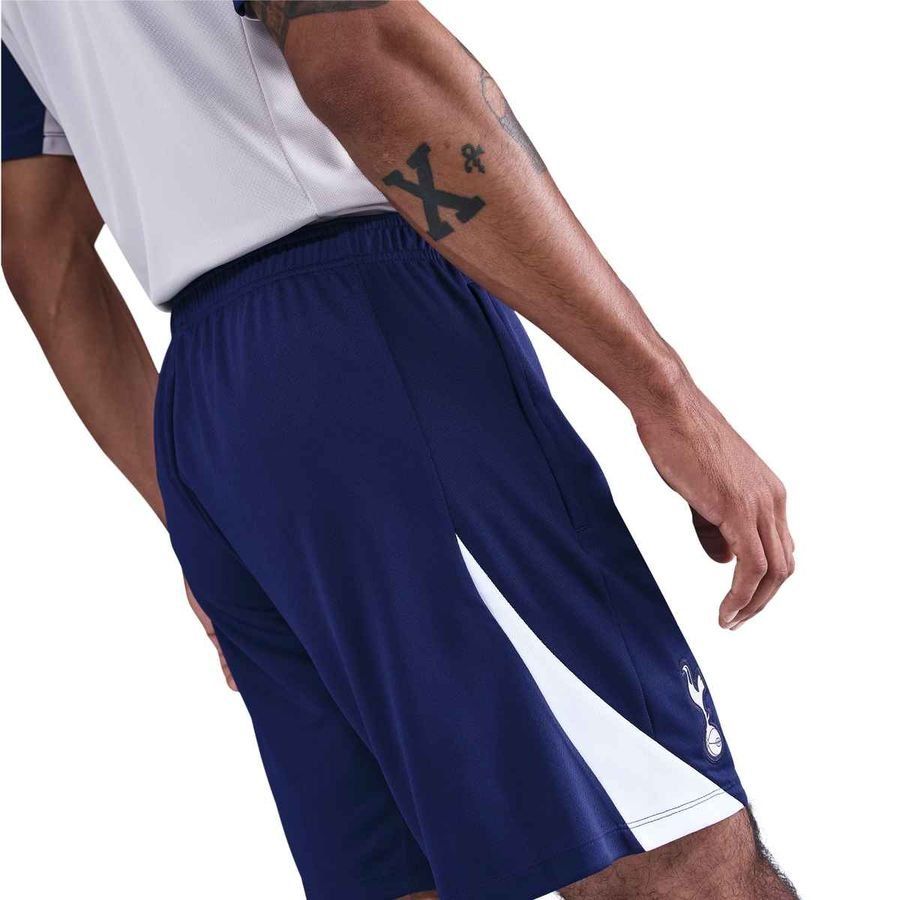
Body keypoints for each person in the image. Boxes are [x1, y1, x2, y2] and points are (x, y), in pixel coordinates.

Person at [1, 2, 798, 898]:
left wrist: (189, 516)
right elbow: (364, 57)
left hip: (213, 418)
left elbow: (39, 247)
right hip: (369, 345)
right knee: (675, 861)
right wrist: (664, 392)